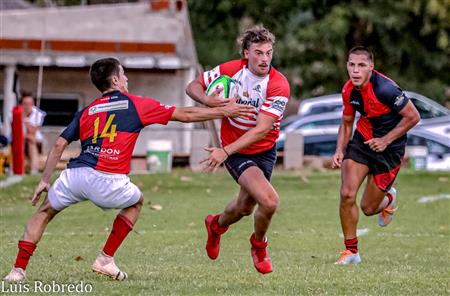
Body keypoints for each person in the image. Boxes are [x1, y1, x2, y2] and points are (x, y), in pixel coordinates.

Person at [3, 57, 254, 282]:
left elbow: (59, 144)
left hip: (75, 175)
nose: (127, 78)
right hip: (108, 180)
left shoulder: (87, 111)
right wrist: (223, 110)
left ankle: (17, 271)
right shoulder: (136, 105)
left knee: (44, 211)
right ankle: (105, 259)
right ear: (115, 79)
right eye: (123, 74)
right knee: (136, 201)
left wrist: (45, 180)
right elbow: (185, 114)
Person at [186, 25, 290, 274]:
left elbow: (262, 129)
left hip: (263, 150)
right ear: (246, 53)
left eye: (268, 52)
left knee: (245, 207)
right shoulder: (230, 71)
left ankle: (215, 225)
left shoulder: (278, 85)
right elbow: (193, 86)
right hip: (238, 151)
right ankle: (259, 245)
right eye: (258, 53)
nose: (265, 59)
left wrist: (225, 151)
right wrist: (210, 101)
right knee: (270, 201)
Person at [332, 46, 420, 265]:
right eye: (351, 64)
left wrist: (386, 140)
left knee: (369, 208)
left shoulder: (386, 89)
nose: (355, 70)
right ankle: (351, 252)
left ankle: (388, 197)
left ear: (371, 67)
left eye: (361, 65)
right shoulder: (348, 90)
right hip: (363, 140)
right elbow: (347, 122)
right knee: (346, 193)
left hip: (390, 150)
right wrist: (340, 150)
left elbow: (413, 116)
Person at [21, 93, 47, 175]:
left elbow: (32, 131)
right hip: (21, 139)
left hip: (35, 141)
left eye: (30, 104)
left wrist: (25, 120)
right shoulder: (15, 112)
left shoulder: (38, 114)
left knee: (31, 141)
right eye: (25, 104)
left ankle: (34, 169)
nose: (27, 106)